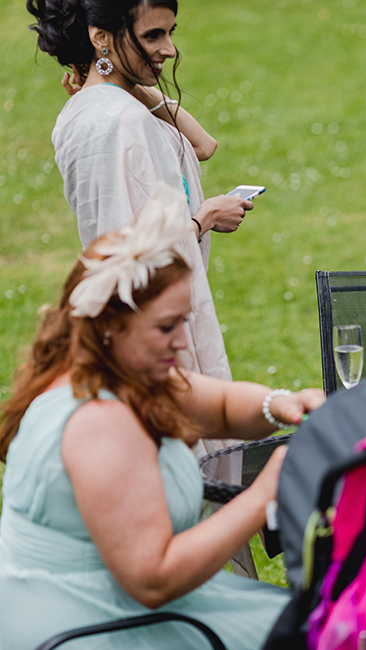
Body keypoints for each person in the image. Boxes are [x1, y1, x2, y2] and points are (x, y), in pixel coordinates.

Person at [0, 184, 325, 649]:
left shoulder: (115, 373)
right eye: (166, 326)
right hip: (94, 625)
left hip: (123, 603)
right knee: (328, 631)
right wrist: (264, 495)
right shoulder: (99, 423)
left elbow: (220, 405)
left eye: (184, 321)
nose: (180, 341)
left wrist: (280, 404)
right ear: (111, 324)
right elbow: (152, 579)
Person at [27, 0, 251, 384]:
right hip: (147, 325)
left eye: (170, 32)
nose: (170, 49)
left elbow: (202, 146)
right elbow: (130, 257)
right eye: (153, 35)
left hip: (162, 313)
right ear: (100, 37)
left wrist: (125, 81)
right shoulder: (116, 124)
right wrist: (204, 219)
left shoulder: (116, 108)